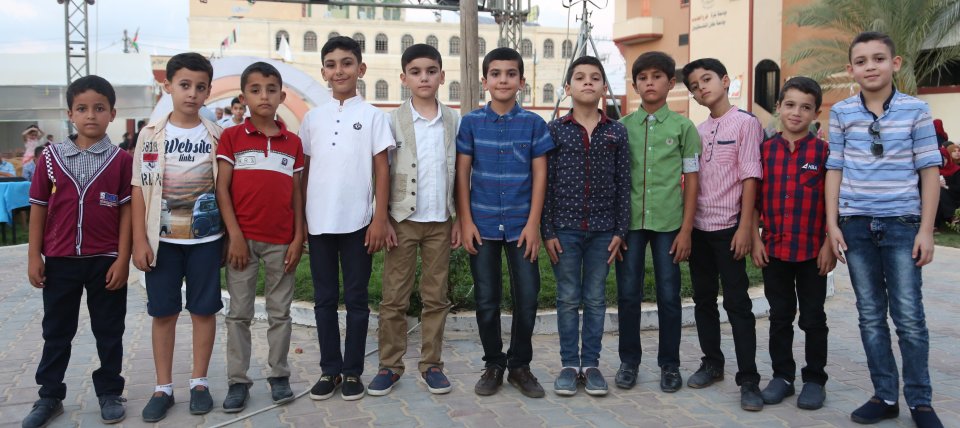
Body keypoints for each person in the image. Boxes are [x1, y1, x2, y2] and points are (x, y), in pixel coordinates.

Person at [825, 31, 943, 427]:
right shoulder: (842, 112)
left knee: (909, 317)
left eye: (878, 58)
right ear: (850, 69)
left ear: (895, 63)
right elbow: (835, 169)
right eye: (861, 61)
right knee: (871, 315)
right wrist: (832, 224)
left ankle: (921, 402)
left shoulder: (916, 110)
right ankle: (885, 395)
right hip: (856, 226)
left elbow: (929, 170)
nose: (870, 67)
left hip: (902, 226)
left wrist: (926, 230)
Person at [22, 75, 132, 428]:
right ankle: (49, 395)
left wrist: (123, 259)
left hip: (105, 261)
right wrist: (34, 256)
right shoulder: (51, 158)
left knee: (109, 329)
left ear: (112, 113)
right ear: (70, 114)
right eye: (82, 109)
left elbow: (127, 212)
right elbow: (38, 208)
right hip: (59, 261)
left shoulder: (121, 160)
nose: (91, 115)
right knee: (56, 330)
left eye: (99, 108)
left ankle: (110, 391)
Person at [131, 52, 224, 422]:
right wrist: (140, 240)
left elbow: (225, 189)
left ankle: (199, 382)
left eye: (200, 87)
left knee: (203, 311)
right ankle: (163, 388)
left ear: (208, 91)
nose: (192, 93)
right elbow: (139, 189)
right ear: (167, 86)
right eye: (184, 85)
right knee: (164, 313)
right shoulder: (150, 135)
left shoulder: (216, 135)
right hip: (163, 243)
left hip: (206, 242)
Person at [457, 47, 554, 398]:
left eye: (510, 74)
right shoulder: (471, 123)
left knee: (527, 297)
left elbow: (540, 176)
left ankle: (520, 366)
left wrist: (533, 224)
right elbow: (462, 174)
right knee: (487, 300)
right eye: (495, 74)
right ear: (485, 81)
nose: (503, 80)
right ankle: (494, 364)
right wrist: (466, 221)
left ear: (521, 82)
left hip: (520, 225)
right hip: (482, 224)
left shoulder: (534, 124)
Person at [300, 36, 393, 402]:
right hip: (318, 222)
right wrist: (301, 222)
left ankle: (352, 371)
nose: (339, 70)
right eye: (331, 64)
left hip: (358, 222)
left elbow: (382, 170)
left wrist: (379, 218)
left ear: (361, 69)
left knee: (356, 299)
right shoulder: (312, 118)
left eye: (347, 63)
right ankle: (330, 370)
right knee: (324, 299)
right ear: (323, 72)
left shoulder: (373, 117)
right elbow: (305, 171)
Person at [368, 44, 460, 397]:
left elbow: (459, 172)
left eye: (431, 71)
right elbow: (380, 172)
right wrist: (383, 218)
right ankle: (390, 366)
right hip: (402, 220)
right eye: (416, 72)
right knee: (395, 297)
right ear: (404, 78)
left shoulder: (453, 120)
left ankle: (432, 364)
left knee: (436, 297)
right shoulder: (391, 121)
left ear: (442, 76)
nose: (424, 78)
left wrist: (458, 218)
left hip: (440, 220)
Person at [216, 62, 305, 411]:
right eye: (255, 90)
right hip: (243, 242)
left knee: (280, 313)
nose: (264, 96)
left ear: (282, 96)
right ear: (244, 97)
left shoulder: (292, 143)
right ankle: (238, 381)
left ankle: (279, 375)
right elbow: (222, 190)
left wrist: (298, 237)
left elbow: (297, 194)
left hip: (282, 242)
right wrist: (235, 236)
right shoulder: (232, 138)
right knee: (239, 314)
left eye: (271, 89)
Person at [542, 55, 629, 397]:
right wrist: (547, 231)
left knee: (595, 298)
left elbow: (623, 183)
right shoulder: (555, 130)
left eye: (595, 77)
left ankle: (590, 365)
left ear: (604, 87)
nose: (588, 82)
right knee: (567, 298)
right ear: (568, 88)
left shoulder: (616, 131)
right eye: (580, 77)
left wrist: (620, 231)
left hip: (604, 230)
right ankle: (568, 365)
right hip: (564, 229)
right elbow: (545, 183)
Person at [680, 57, 764, 411]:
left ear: (725, 81)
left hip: (730, 228)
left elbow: (751, 177)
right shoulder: (697, 131)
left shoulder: (746, 123)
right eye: (694, 86)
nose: (701, 88)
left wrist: (746, 227)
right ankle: (712, 363)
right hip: (699, 229)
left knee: (737, 304)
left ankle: (749, 379)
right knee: (703, 300)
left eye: (707, 80)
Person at [615, 51, 700, 393]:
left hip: (669, 224)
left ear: (671, 83)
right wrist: (616, 227)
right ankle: (628, 361)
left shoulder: (684, 128)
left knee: (668, 294)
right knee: (627, 294)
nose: (649, 82)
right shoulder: (622, 128)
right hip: (630, 225)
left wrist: (686, 230)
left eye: (657, 76)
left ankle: (670, 364)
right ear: (635, 85)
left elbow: (692, 180)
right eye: (643, 77)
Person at [751, 76, 835, 411]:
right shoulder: (765, 151)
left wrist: (829, 243)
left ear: (816, 113)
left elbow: (833, 202)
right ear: (778, 107)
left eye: (805, 107)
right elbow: (755, 201)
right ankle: (782, 377)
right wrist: (756, 239)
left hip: (813, 252)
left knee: (813, 318)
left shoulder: (824, 153)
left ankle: (814, 380)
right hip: (774, 250)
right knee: (779, 317)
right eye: (790, 105)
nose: (796, 113)